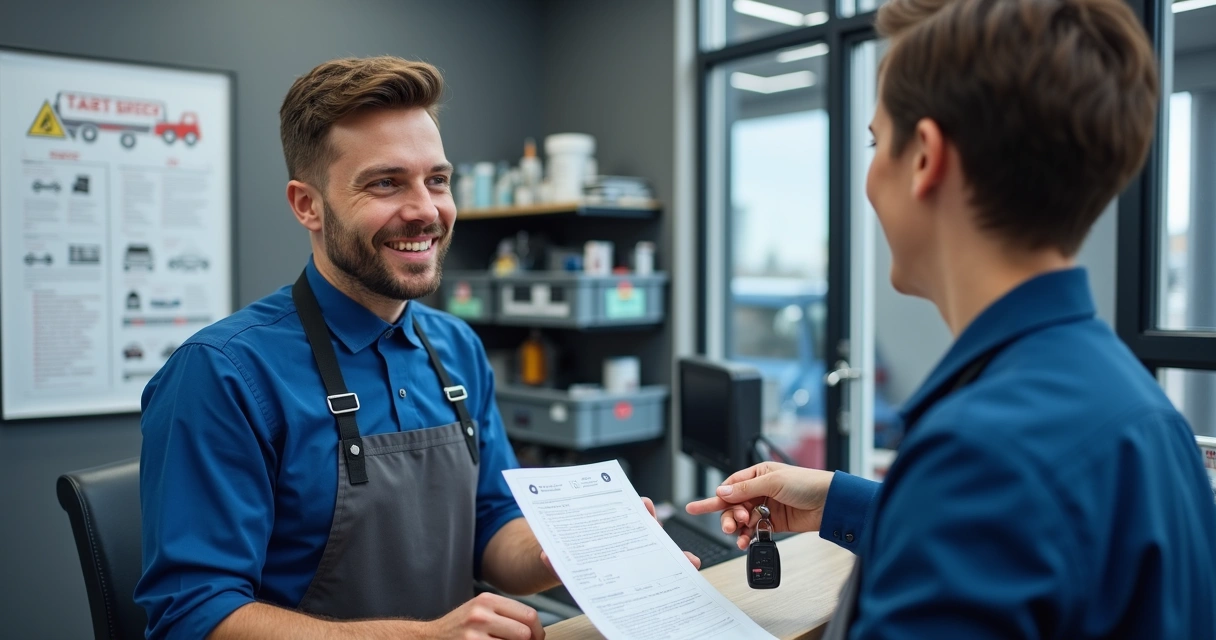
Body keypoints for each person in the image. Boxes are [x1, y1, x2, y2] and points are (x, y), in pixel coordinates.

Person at [688, 0, 1216, 637]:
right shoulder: (1147, 416)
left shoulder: (979, 453)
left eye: (876, 142)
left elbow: (987, 512)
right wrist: (839, 499)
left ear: (925, 158)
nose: (869, 179)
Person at [136, 56, 695, 640]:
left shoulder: (457, 347)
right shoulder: (223, 374)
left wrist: (571, 552)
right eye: (385, 183)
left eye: (438, 180)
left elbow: (491, 522)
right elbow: (194, 615)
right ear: (308, 205)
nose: (426, 211)